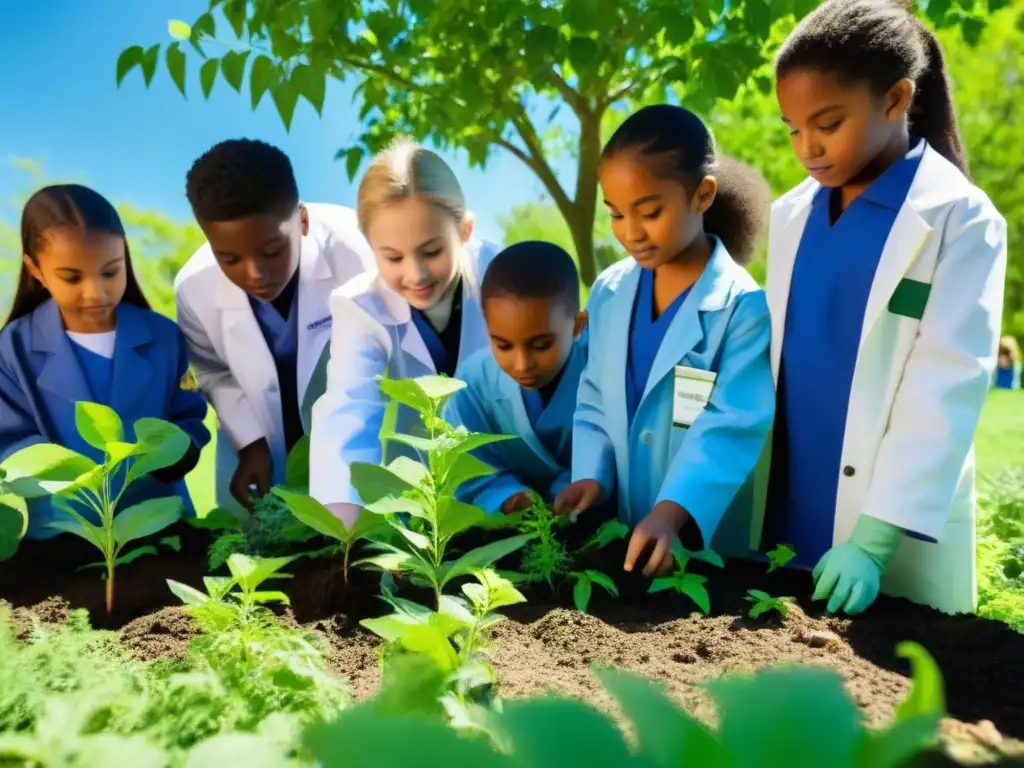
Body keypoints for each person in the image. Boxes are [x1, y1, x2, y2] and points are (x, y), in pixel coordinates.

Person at [764, 0, 1007, 617]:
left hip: (885, 527)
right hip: (782, 510)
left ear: (896, 99)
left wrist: (872, 545)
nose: (807, 148)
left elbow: (946, 383)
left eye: (827, 122)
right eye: (793, 128)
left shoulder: (961, 217)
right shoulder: (791, 214)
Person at [554, 104, 776, 578]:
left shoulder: (741, 308)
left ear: (702, 194)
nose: (630, 233)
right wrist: (590, 474)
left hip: (702, 546)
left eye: (649, 212)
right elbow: (594, 399)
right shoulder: (610, 292)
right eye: (615, 214)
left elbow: (731, 425)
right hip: (625, 536)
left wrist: (673, 511)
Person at [175, 138, 376, 513]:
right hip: (259, 456)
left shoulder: (359, 250)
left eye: (272, 251)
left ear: (302, 220)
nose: (256, 274)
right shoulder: (193, 289)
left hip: (355, 439)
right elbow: (214, 373)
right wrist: (250, 443)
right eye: (229, 257)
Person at [308, 138, 501, 526]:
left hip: (510, 482)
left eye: (432, 252)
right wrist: (343, 525)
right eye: (392, 257)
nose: (415, 274)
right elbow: (348, 411)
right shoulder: (360, 307)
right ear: (369, 245)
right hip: (422, 497)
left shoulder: (502, 276)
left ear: (465, 230)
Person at [0, 184, 210, 539]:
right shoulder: (13, 348)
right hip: (61, 536)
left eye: (110, 272)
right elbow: (9, 439)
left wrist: (181, 448)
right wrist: (65, 473)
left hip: (160, 528)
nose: (95, 292)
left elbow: (188, 415)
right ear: (35, 270)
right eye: (72, 277)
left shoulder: (165, 337)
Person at [443, 241, 588, 515]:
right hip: (505, 530)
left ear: (578, 326)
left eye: (542, 345)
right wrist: (510, 497)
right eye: (504, 345)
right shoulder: (471, 382)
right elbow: (464, 466)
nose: (522, 365)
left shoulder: (602, 372)